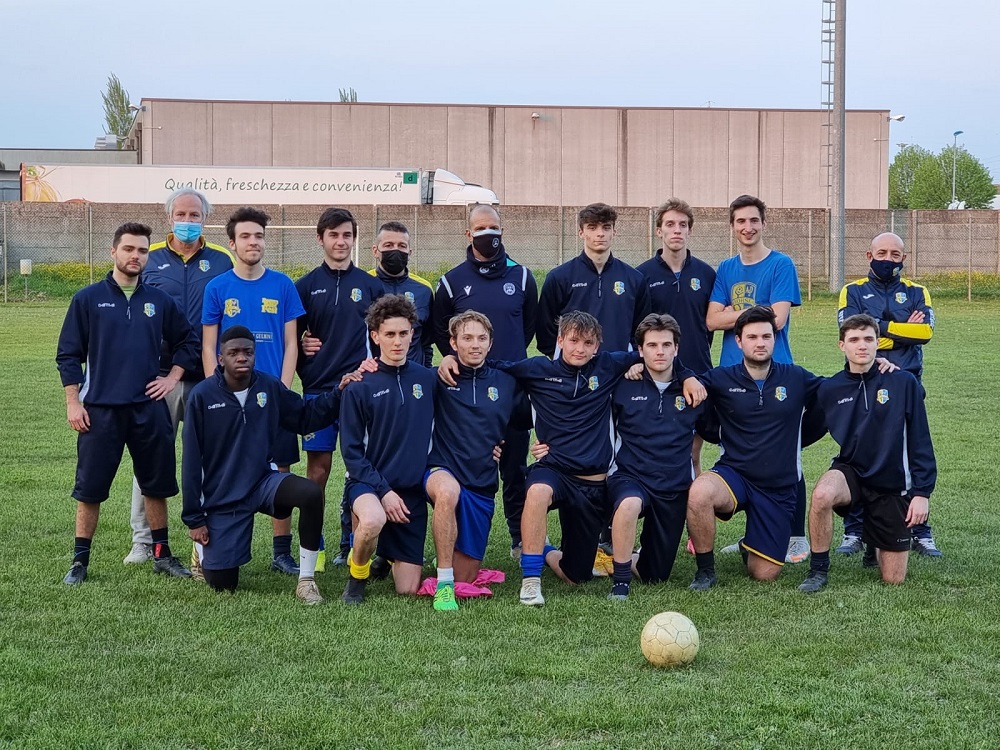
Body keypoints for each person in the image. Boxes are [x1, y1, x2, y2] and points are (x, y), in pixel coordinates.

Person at [439, 311, 704, 606]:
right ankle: (530, 581)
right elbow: (487, 366)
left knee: (576, 575)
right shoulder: (537, 369)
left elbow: (657, 354)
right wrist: (450, 359)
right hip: (553, 470)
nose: (580, 349)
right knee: (537, 491)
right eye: (574, 341)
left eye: (588, 343)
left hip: (592, 483)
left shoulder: (608, 366)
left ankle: (547, 551)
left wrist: (687, 375)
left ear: (597, 346)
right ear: (560, 340)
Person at [531, 313, 716, 599]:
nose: (660, 351)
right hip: (628, 478)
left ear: (676, 348)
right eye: (652, 345)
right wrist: (549, 443)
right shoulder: (622, 383)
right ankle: (619, 583)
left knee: (655, 576)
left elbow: (710, 431)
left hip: (673, 486)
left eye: (666, 345)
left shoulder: (693, 391)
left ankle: (629, 556)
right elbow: (577, 412)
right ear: (639, 350)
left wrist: (688, 376)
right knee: (629, 504)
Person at [56, 222, 197, 584]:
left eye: (143, 250)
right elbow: (68, 354)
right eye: (129, 249)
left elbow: (188, 341)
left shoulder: (159, 301)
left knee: (156, 484)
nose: (136, 256)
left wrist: (172, 377)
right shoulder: (87, 299)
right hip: (100, 410)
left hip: (147, 408)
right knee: (90, 488)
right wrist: (73, 402)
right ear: (114, 252)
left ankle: (161, 555)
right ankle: (79, 562)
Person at [182, 326, 350, 603]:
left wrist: (338, 393)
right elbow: (190, 462)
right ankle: (202, 554)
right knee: (223, 584)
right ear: (221, 358)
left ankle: (306, 580)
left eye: (247, 352)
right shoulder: (202, 396)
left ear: (254, 355)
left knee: (309, 493)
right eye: (234, 353)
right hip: (223, 495)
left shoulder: (268, 387)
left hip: (261, 481)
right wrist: (194, 519)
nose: (242, 357)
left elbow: (304, 418)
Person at [123, 188, 234, 567]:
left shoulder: (221, 261)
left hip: (208, 377)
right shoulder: (149, 259)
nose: (188, 221)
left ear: (205, 218)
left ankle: (207, 538)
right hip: (159, 379)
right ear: (169, 217)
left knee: (208, 459)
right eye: (181, 215)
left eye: (195, 215)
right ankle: (143, 541)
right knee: (151, 457)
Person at [201, 207, 306, 576]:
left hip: (271, 398)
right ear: (232, 243)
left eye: (259, 235)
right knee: (221, 470)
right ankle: (211, 548)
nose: (253, 242)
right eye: (245, 236)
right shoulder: (217, 288)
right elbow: (209, 345)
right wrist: (216, 392)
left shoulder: (283, 285)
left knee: (281, 470)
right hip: (230, 400)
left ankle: (281, 552)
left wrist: (282, 390)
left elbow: (291, 344)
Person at [686, 306, 822, 591]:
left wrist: (879, 368)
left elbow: (838, 390)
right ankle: (705, 571)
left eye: (766, 336)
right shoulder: (721, 378)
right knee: (699, 492)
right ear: (739, 341)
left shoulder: (796, 377)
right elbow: (681, 379)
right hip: (734, 474)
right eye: (752, 337)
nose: (760, 343)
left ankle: (749, 545)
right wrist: (685, 377)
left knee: (764, 573)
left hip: (777, 488)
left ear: (775, 339)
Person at [799, 314, 936, 591]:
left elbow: (920, 440)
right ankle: (818, 570)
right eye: (854, 340)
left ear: (877, 343)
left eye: (868, 339)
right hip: (852, 471)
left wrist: (922, 493)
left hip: (891, 482)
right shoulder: (830, 388)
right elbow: (805, 432)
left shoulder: (903, 382)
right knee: (822, 494)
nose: (861, 345)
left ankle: (875, 541)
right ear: (842, 345)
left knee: (893, 579)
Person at [706, 194, 808, 564]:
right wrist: (755, 312)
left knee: (786, 458)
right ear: (732, 227)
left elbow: (776, 320)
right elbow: (711, 320)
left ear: (764, 223)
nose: (747, 227)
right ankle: (756, 534)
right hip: (734, 377)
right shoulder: (726, 268)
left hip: (775, 374)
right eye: (740, 221)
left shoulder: (781, 264)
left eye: (753, 220)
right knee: (742, 456)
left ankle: (796, 537)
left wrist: (735, 313)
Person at [432, 204, 538, 558]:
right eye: (480, 228)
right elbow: (441, 331)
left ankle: (519, 538)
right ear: (468, 234)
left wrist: (504, 364)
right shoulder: (451, 282)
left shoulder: (522, 277)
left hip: (511, 390)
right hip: (468, 393)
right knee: (469, 466)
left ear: (502, 230)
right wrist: (451, 357)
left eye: (493, 227)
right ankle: (460, 540)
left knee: (515, 467)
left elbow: (528, 328)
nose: (487, 233)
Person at [836, 232, 940, 558]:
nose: (888, 259)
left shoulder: (917, 291)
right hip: (863, 384)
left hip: (907, 384)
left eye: (895, 254)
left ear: (904, 258)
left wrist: (880, 328)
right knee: (857, 454)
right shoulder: (852, 290)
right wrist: (902, 330)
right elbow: (852, 333)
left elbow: (925, 332)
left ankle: (919, 531)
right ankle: (854, 530)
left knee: (909, 455)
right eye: (882, 253)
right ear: (869, 256)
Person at [295, 208, 385, 568]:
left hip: (359, 392)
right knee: (317, 471)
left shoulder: (370, 286)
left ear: (354, 239)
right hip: (318, 391)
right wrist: (304, 353)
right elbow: (292, 340)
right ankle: (313, 547)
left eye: (347, 235)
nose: (341, 241)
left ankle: (352, 544)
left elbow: (382, 339)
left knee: (359, 468)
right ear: (320, 239)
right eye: (333, 235)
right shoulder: (304, 286)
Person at [339, 295, 436, 604]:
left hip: (410, 494)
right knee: (372, 520)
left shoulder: (428, 379)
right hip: (369, 485)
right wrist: (384, 491)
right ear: (375, 336)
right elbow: (352, 454)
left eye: (403, 333)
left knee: (407, 589)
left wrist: (494, 445)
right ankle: (357, 579)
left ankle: (386, 553)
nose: (397, 341)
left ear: (412, 334)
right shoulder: (359, 385)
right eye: (390, 334)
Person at [424, 311, 521, 611]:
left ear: (491, 343)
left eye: (481, 338)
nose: (475, 345)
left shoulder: (507, 381)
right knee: (447, 491)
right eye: (467, 338)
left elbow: (532, 416)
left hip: (481, 480)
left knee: (465, 576)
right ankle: (443, 585)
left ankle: (447, 559)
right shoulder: (438, 378)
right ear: (453, 343)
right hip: (440, 469)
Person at [637, 198, 716, 475]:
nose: (677, 230)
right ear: (659, 230)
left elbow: (708, 324)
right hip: (660, 375)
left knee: (692, 452)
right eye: (670, 224)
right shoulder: (642, 275)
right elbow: (639, 328)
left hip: (699, 370)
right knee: (660, 449)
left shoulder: (706, 274)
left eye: (683, 225)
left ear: (690, 230)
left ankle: (695, 501)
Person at [536, 202, 651, 357]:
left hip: (619, 367)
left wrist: (631, 360)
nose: (600, 233)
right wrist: (566, 360)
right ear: (581, 232)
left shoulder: (634, 279)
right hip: (575, 368)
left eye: (606, 227)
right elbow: (545, 330)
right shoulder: (559, 277)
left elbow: (643, 329)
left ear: (614, 232)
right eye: (592, 227)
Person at [369, 221, 434, 366]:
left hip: (413, 373)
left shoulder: (424, 289)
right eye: (388, 245)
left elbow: (426, 342)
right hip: (374, 374)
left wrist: (426, 371)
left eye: (402, 246)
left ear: (410, 252)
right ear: (375, 251)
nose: (395, 250)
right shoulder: (364, 285)